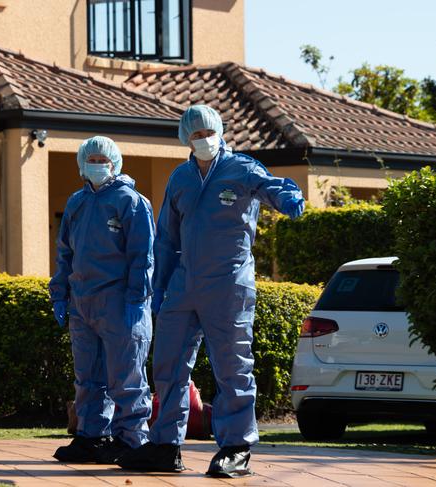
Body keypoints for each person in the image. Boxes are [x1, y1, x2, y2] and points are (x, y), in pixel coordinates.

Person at [117, 105, 305, 477]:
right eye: (195, 134)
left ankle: (236, 447)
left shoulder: (242, 169)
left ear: (220, 131)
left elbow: (270, 187)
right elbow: (167, 238)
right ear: (186, 139)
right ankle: (165, 445)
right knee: (168, 364)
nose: (202, 139)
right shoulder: (181, 178)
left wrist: (288, 197)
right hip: (184, 285)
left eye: (208, 132)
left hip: (228, 283)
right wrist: (157, 290)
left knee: (232, 367)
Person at [49, 135, 156, 464]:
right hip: (83, 303)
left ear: (115, 162)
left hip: (120, 303)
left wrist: (137, 299)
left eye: (102, 159)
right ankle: (92, 436)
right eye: (91, 159)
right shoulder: (76, 203)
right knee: (88, 377)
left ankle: (133, 440)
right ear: (81, 163)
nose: (97, 164)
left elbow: (143, 256)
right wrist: (60, 293)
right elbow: (65, 252)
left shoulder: (131, 202)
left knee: (126, 377)